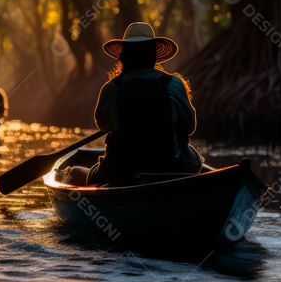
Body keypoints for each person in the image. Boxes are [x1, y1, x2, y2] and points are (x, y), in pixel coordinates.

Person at [70, 22, 201, 186]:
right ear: (154, 55)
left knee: (74, 172)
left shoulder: (111, 89)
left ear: (124, 56)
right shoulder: (174, 84)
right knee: (197, 158)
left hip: (121, 169)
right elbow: (189, 127)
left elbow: (104, 125)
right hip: (170, 166)